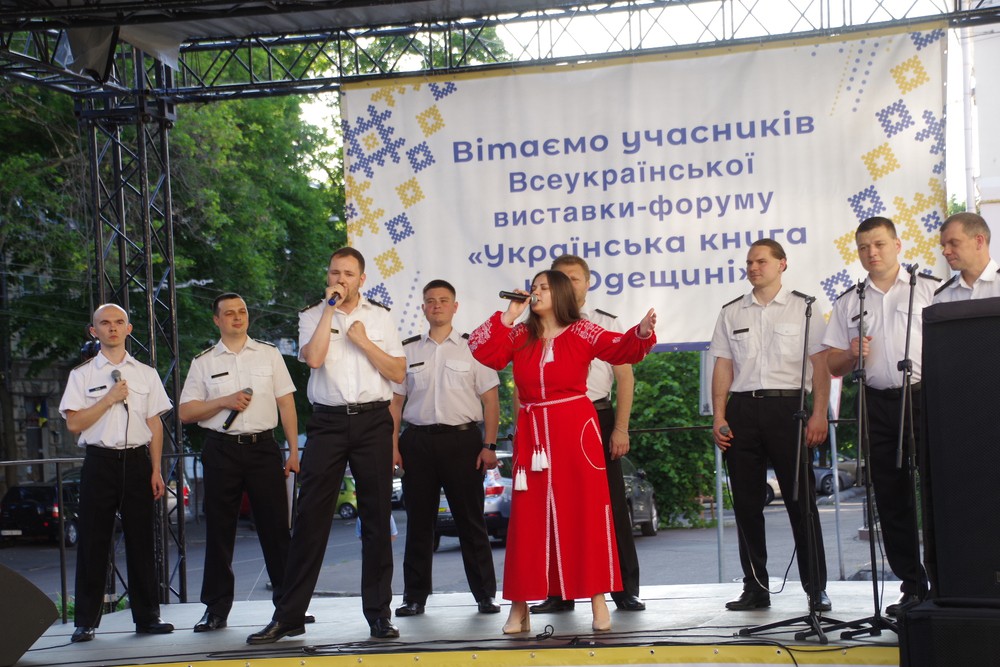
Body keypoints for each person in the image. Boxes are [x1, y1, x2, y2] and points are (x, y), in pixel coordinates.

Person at [469, 270, 656, 635]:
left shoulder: (583, 331)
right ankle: (519, 606)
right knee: (528, 520)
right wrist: (508, 315)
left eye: (543, 287)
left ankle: (599, 599)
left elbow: (622, 348)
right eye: (533, 287)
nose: (535, 292)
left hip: (576, 431)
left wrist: (642, 332)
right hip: (532, 434)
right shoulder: (520, 335)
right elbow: (484, 351)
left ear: (559, 293)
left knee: (586, 514)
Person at [247, 247, 405, 643]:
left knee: (376, 519)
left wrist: (364, 342)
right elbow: (314, 359)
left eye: (348, 274)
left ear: (361, 279)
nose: (340, 279)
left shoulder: (380, 316)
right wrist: (329, 313)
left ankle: (379, 616)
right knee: (310, 518)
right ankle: (290, 616)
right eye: (335, 272)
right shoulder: (312, 314)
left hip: (373, 420)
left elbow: (398, 371)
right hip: (328, 422)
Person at [709, 240, 832, 613]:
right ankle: (755, 587)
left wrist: (819, 413)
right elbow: (723, 366)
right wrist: (719, 416)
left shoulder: (805, 308)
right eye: (749, 262)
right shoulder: (731, 311)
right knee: (747, 505)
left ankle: (816, 588)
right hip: (743, 409)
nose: (753, 268)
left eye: (761, 261)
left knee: (801, 502)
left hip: (789, 408)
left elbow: (821, 365)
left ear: (782, 264)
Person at [824, 217, 939, 616]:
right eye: (863, 247)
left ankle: (946, 581)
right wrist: (850, 353)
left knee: (938, 491)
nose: (871, 253)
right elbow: (832, 364)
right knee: (891, 497)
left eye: (879, 244)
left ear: (898, 245)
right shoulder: (850, 301)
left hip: (926, 398)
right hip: (875, 402)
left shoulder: (930, 289)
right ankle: (912, 585)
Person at [530, 255, 645, 615]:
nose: (567, 284)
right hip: (549, 422)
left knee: (609, 506)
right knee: (553, 506)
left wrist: (621, 428)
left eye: (574, 278)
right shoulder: (537, 324)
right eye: (559, 278)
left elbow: (625, 377)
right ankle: (559, 592)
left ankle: (623, 590)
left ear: (588, 283)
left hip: (596, 417)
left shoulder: (603, 323)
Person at [178, 293, 300, 633]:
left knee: (276, 529)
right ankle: (216, 609)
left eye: (242, 311)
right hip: (221, 450)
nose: (237, 317)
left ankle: (288, 609)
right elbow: (186, 412)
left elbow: (286, 403)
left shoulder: (268, 353)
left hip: (263, 448)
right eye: (229, 313)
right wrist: (224, 401)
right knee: (220, 531)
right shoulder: (204, 362)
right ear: (216, 320)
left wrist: (293, 451)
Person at [58, 303, 174, 643]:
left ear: (129, 329)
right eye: (105, 323)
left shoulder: (146, 373)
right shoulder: (82, 375)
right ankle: (86, 621)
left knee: (142, 541)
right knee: (93, 542)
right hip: (100, 461)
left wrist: (156, 469)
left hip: (138, 461)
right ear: (93, 331)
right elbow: (74, 424)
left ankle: (148, 617)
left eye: (119, 322)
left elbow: (154, 423)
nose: (112, 327)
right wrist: (108, 399)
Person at [389, 279, 502, 617]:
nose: (436, 305)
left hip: (463, 442)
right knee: (419, 524)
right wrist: (393, 446)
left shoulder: (474, 348)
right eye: (430, 300)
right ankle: (414, 597)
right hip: (417, 442)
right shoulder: (407, 350)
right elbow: (395, 403)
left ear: (455, 307)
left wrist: (489, 445)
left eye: (443, 300)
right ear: (423, 308)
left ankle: (485, 595)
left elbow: (491, 401)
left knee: (471, 521)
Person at [933, 212, 1000, 303]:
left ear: (979, 241)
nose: (945, 252)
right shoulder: (942, 296)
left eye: (954, 243)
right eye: (944, 246)